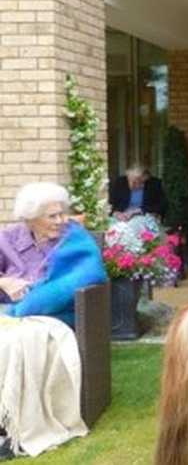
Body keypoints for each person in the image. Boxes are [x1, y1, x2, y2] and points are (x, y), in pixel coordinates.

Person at [0, 182, 108, 459]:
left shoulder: (75, 240)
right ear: (30, 217)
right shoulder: (8, 239)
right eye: (52, 216)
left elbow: (87, 275)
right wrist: (6, 281)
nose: (61, 221)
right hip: (7, 314)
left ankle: (17, 427)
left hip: (54, 317)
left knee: (18, 342)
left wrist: (27, 305)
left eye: (62, 213)